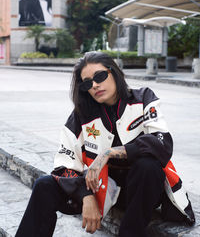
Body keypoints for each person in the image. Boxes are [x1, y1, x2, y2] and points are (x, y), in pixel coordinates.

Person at [15, 52, 195, 237]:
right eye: (87, 83)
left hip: (144, 188)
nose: (94, 85)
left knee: (147, 166)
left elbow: (162, 142)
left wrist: (109, 153)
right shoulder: (81, 116)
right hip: (102, 187)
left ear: (114, 72)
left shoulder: (143, 98)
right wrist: (86, 195)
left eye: (100, 76)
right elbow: (63, 165)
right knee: (44, 185)